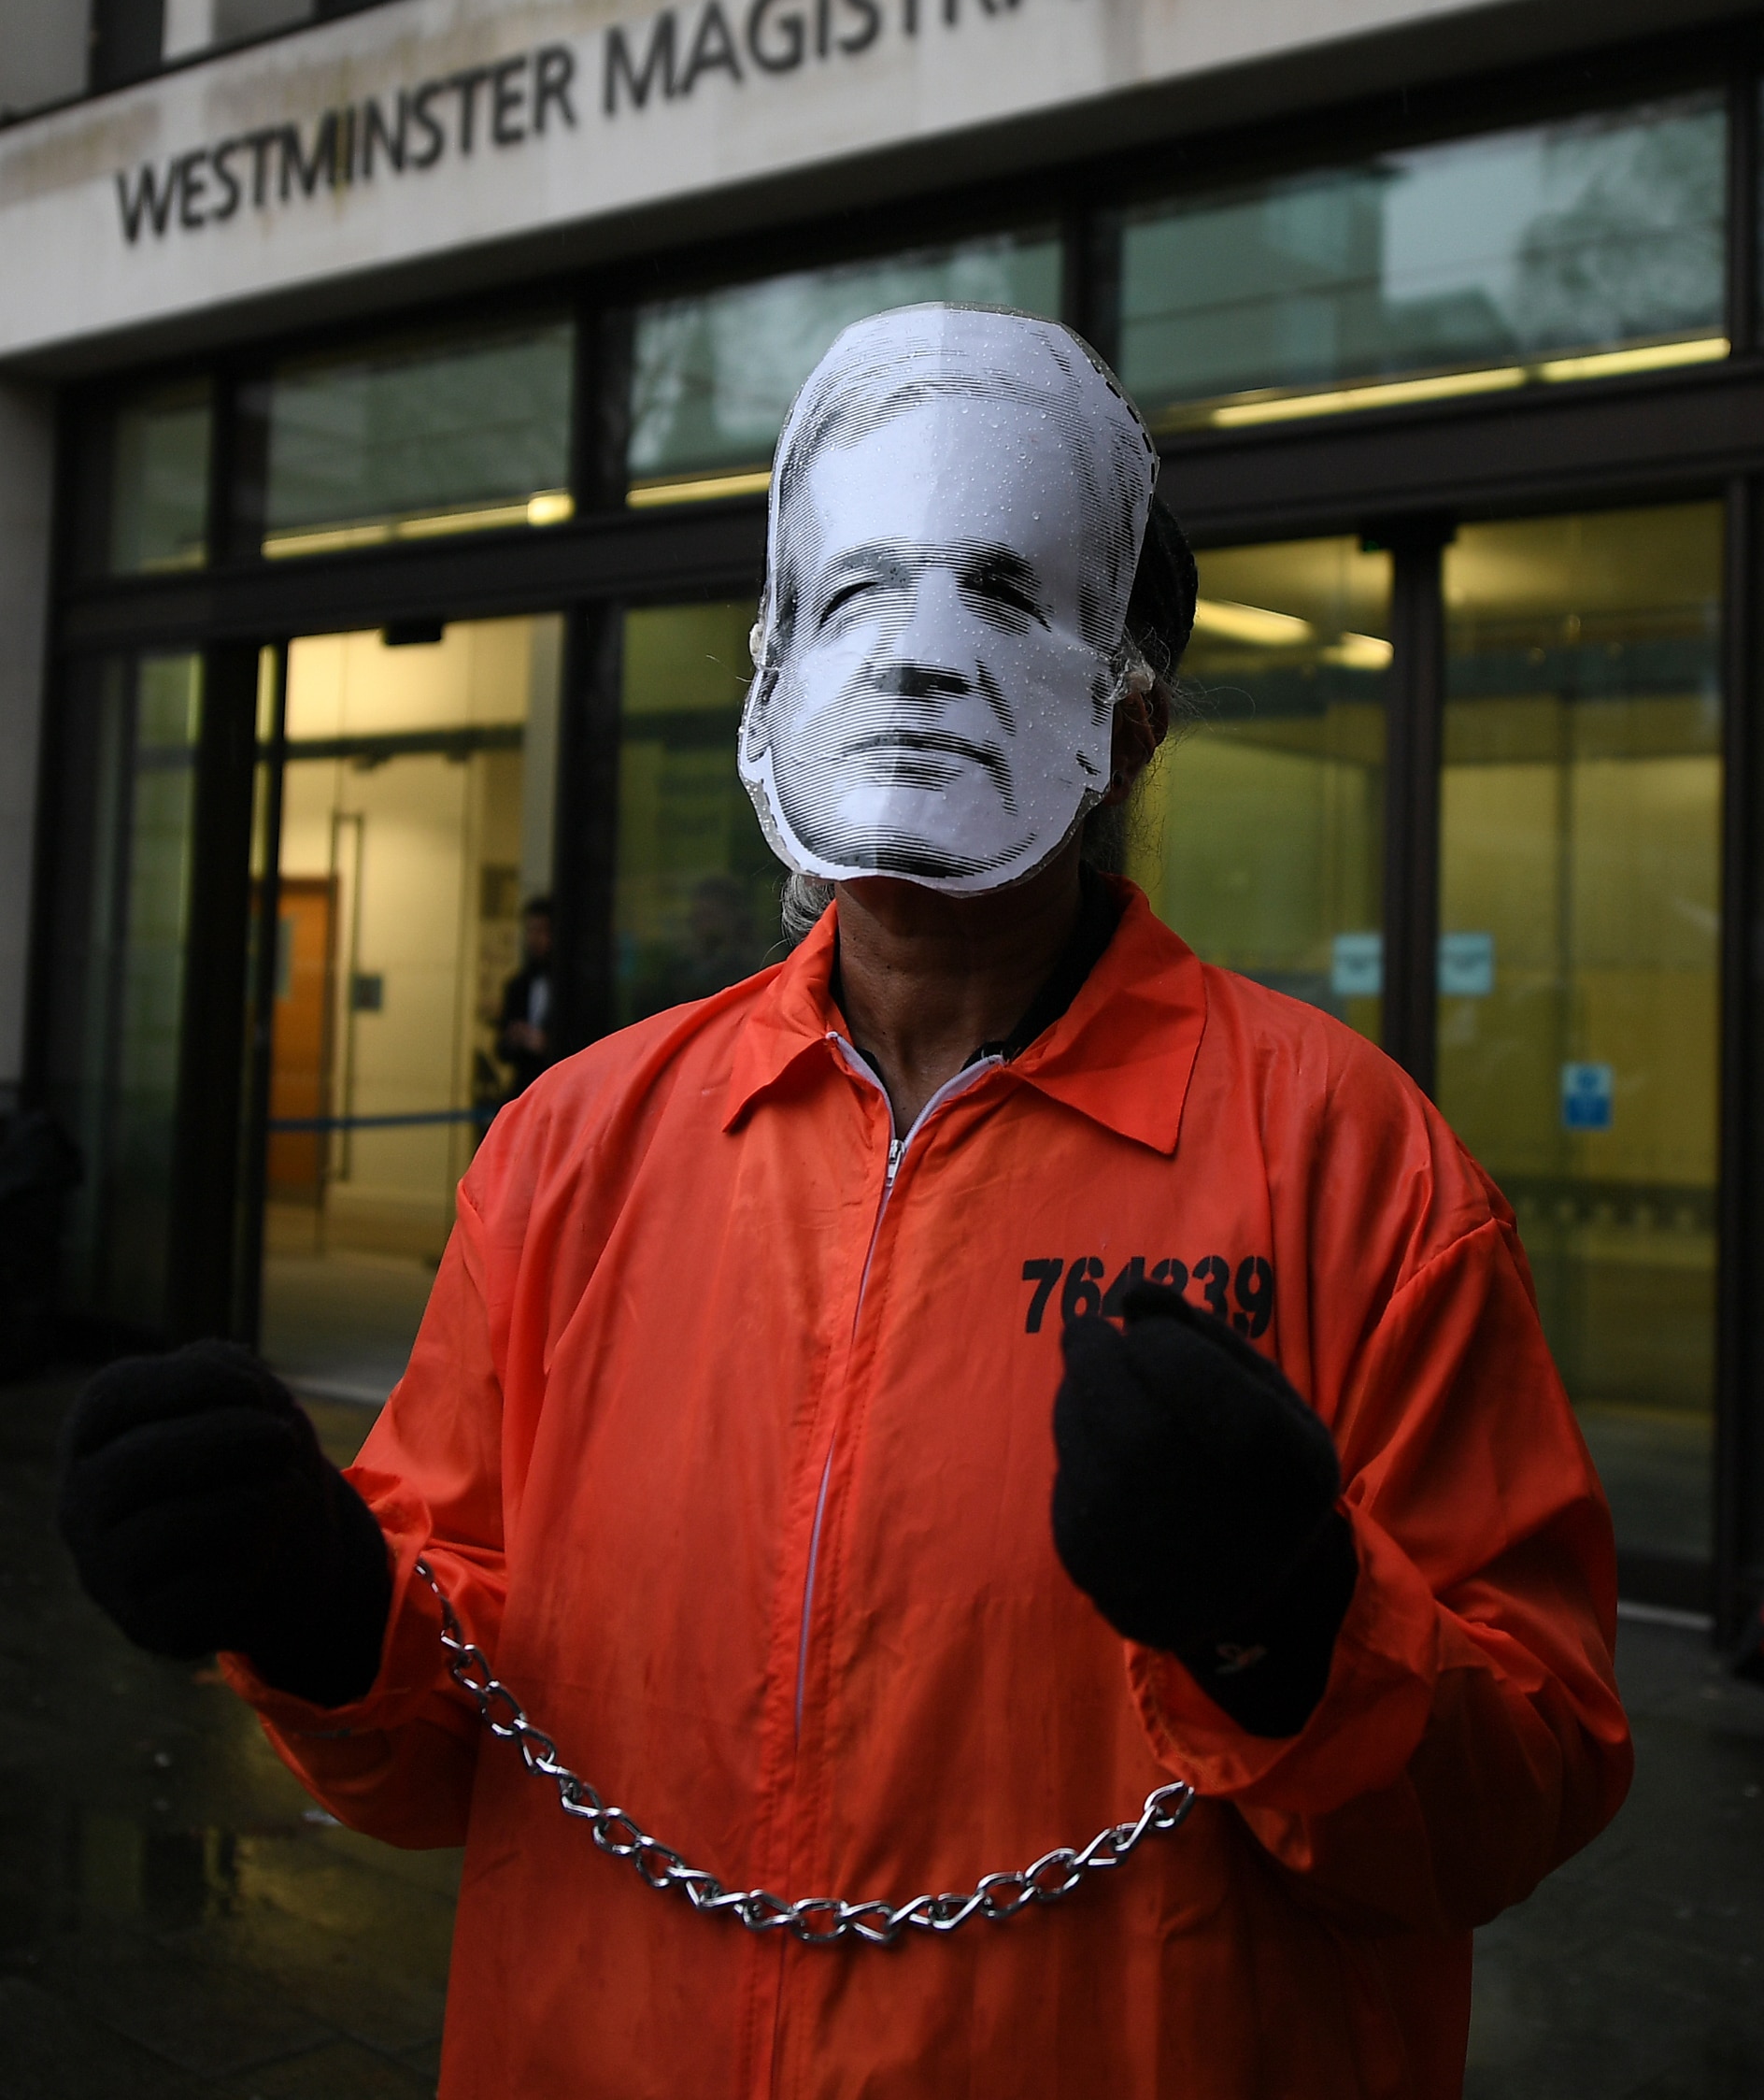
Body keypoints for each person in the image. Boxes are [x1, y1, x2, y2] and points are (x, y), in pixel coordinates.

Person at [58, 307, 1631, 2100]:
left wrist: (1294, 1627)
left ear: (1126, 718)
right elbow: (453, 1731)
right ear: (773, 667)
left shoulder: (1361, 1174)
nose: (917, 662)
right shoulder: (575, 1150)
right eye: (856, 594)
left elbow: (1528, 1781)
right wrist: (317, 1593)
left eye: (1002, 597)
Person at [494, 895, 553, 1096]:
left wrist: (544, 1043)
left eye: (542, 931)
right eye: (530, 931)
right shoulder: (517, 985)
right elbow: (501, 1050)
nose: (535, 939)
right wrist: (514, 1039)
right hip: (525, 1089)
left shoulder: (569, 989)